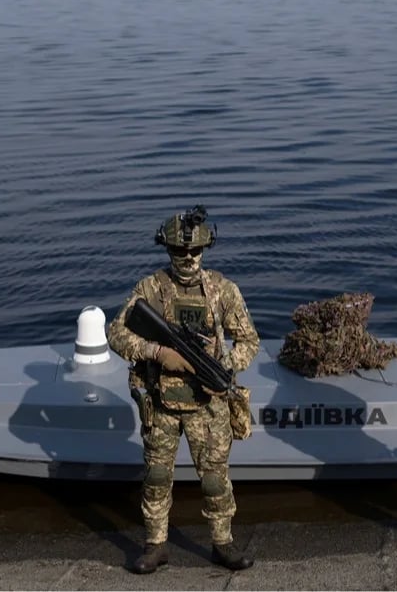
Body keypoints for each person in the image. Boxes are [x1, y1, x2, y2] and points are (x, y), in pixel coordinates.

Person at [107, 205, 261, 574]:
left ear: (205, 249)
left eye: (193, 251)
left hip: (208, 405)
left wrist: (223, 362)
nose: (188, 258)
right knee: (157, 476)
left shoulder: (223, 291)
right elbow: (116, 333)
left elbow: (249, 341)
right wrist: (157, 352)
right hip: (161, 403)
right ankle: (155, 545)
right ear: (168, 250)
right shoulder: (150, 289)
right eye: (179, 251)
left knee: (214, 480)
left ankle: (222, 543)